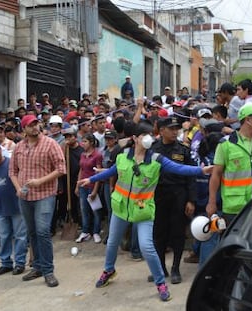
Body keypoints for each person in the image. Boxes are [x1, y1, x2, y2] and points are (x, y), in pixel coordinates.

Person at [77, 120, 213, 302]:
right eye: (144, 135)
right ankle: (109, 270)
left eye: (151, 134)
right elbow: (111, 171)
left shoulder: (157, 160)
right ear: (135, 138)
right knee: (112, 243)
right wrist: (91, 179)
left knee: (147, 247)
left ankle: (160, 282)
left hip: (143, 211)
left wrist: (201, 170)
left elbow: (180, 169)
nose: (149, 138)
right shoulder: (123, 156)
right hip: (121, 209)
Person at [9, 115, 65, 287]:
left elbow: (61, 169)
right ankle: (38, 266)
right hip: (25, 197)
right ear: (24, 129)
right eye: (30, 125)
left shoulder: (50, 144)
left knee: (42, 231)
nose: (34, 127)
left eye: (36, 124)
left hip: (45, 194)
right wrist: (18, 188)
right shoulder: (18, 147)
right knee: (32, 232)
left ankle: (48, 271)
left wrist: (40, 181)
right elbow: (13, 171)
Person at [206, 102, 252, 224]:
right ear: (248, 119)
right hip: (234, 208)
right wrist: (211, 202)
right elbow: (216, 174)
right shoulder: (226, 144)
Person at [151, 117, 196, 284]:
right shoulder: (153, 149)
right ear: (162, 131)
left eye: (177, 128)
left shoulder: (183, 149)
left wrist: (191, 200)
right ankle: (160, 267)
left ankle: (175, 268)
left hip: (178, 195)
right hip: (158, 196)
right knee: (158, 233)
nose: (175, 131)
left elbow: (191, 175)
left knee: (177, 233)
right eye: (171, 128)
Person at [0, 140, 27, 276]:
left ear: (0, 149)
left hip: (17, 206)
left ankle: (20, 263)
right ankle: (6, 263)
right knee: (4, 236)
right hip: (0, 208)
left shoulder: (11, 163)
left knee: (20, 236)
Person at [75, 133, 103, 243]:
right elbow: (81, 170)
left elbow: (98, 173)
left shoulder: (97, 155)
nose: (83, 143)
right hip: (83, 185)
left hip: (92, 185)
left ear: (91, 142)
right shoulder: (82, 155)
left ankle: (96, 231)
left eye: (85, 141)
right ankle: (85, 231)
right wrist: (78, 185)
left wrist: (95, 190)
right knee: (84, 209)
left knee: (95, 209)